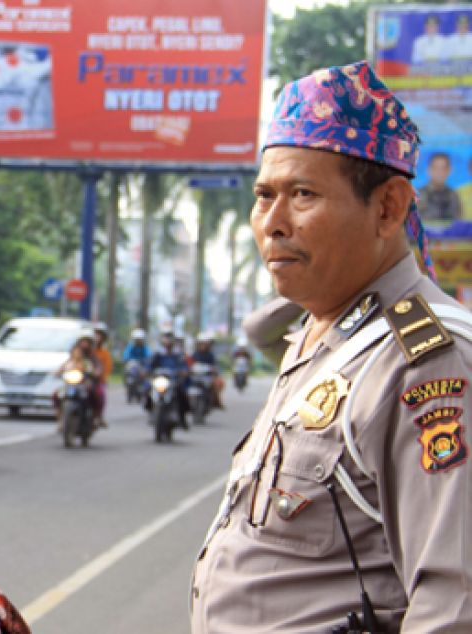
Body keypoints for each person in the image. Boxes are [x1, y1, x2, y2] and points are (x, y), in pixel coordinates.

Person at [191, 61, 472, 632]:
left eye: (301, 194)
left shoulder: (424, 363)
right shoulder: (328, 329)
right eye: (263, 195)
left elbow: (454, 606)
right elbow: (260, 330)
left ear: (389, 208)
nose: (271, 222)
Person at [147, 332, 190, 428]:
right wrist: (146, 371)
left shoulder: (178, 354)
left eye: (169, 340)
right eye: (166, 339)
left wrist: (184, 371)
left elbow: (184, 366)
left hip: (173, 381)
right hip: (160, 380)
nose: (167, 342)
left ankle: (182, 418)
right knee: (148, 390)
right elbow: (150, 366)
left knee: (181, 393)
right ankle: (150, 410)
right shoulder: (158, 354)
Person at [418, 152, 463, 223]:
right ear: (429, 170)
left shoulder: (453, 195)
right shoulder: (418, 195)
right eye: (436, 168)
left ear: (449, 171)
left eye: (443, 168)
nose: (439, 172)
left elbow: (458, 222)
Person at [190, 333, 223, 410]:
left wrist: (214, 370)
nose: (203, 346)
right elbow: (189, 364)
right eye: (201, 344)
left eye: (204, 344)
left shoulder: (210, 355)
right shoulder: (195, 354)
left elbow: (216, 366)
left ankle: (216, 401)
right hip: (196, 377)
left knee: (218, 384)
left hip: (207, 377)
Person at [91, 326, 113, 427]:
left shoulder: (104, 353)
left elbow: (107, 368)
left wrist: (101, 377)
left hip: (97, 380)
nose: (97, 337)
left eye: (99, 335)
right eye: (95, 334)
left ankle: (98, 416)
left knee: (101, 394)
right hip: (82, 379)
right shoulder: (83, 351)